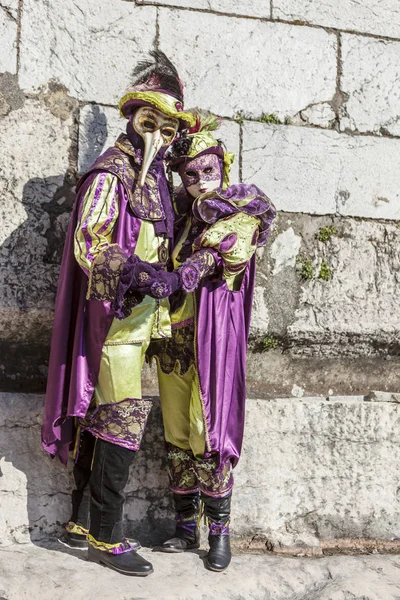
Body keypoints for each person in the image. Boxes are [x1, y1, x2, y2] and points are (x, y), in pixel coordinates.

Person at [41, 51, 195, 577]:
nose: (160, 134)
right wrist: (132, 273)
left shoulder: (158, 183)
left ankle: (80, 522)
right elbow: (89, 241)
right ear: (133, 117)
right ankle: (106, 536)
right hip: (114, 322)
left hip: (144, 321)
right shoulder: (112, 172)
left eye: (170, 127)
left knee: (107, 417)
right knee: (124, 418)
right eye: (151, 121)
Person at [138, 113, 276, 571]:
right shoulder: (181, 218)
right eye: (190, 175)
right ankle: (184, 528)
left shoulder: (242, 209)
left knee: (208, 433)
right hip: (173, 341)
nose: (200, 182)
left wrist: (195, 265)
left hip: (211, 343)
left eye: (208, 172)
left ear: (224, 169)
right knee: (177, 432)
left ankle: (219, 534)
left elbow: (230, 249)